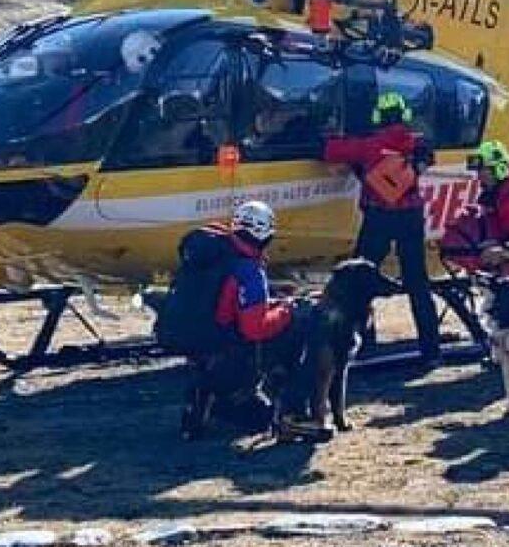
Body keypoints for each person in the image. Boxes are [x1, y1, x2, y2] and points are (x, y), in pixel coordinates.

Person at [324, 88, 443, 367]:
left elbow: (329, 150)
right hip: (411, 217)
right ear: (405, 115)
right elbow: (426, 157)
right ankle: (431, 352)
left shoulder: (369, 144)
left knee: (359, 278)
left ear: (378, 116)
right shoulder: (418, 144)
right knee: (417, 283)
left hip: (378, 218)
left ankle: (364, 342)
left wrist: (328, 132)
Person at [182, 200, 305, 436]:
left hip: (198, 346)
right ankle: (236, 402)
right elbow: (255, 329)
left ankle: (201, 401)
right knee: (260, 418)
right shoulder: (248, 271)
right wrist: (287, 310)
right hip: (228, 354)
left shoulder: (212, 254)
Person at [440, 138, 509, 277]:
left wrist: (502, 248)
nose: (479, 176)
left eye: (483, 171)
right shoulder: (491, 196)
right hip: (505, 251)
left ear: (499, 169)